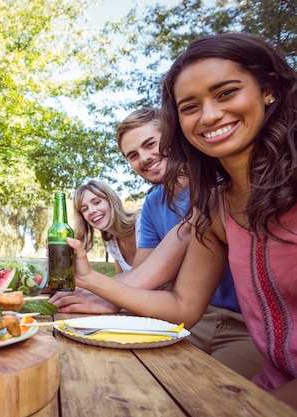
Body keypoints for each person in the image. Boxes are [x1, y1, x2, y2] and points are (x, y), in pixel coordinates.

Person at [65, 33, 297, 407]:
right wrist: (89, 281)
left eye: (226, 93)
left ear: (269, 89)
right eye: (190, 106)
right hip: (262, 371)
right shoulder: (214, 207)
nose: (209, 115)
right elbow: (182, 306)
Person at [53, 107, 264, 380]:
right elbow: (144, 273)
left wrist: (105, 293)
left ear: (172, 137)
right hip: (188, 319)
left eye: (150, 144)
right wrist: (106, 296)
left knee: (208, 391)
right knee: (109, 371)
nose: (145, 158)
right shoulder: (153, 202)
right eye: (133, 155)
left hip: (245, 325)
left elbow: (182, 241)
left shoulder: (222, 183)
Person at [73, 179, 140, 273]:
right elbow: (121, 283)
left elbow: (139, 277)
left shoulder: (141, 226)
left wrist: (88, 278)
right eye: (84, 209)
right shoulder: (113, 242)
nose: (92, 211)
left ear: (111, 201)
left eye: (97, 202)